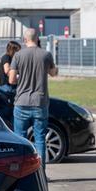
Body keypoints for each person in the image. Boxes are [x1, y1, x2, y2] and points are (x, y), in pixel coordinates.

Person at [6, 28, 57, 166]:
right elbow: (53, 73)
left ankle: (22, 172)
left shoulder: (18, 55)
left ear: (25, 39)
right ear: (38, 39)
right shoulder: (46, 55)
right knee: (40, 139)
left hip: (22, 101)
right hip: (40, 102)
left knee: (20, 139)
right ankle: (40, 172)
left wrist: (21, 78)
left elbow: (11, 80)